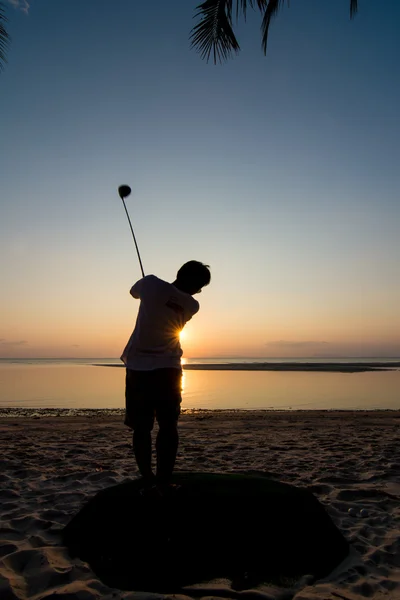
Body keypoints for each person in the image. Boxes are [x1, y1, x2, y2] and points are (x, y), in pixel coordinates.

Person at [121, 260, 211, 491]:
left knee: (142, 428)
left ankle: (147, 476)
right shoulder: (192, 305)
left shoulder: (151, 284)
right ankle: (163, 478)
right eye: (200, 287)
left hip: (139, 367)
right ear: (197, 287)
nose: (198, 292)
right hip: (169, 369)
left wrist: (147, 285)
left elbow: (133, 292)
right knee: (168, 425)